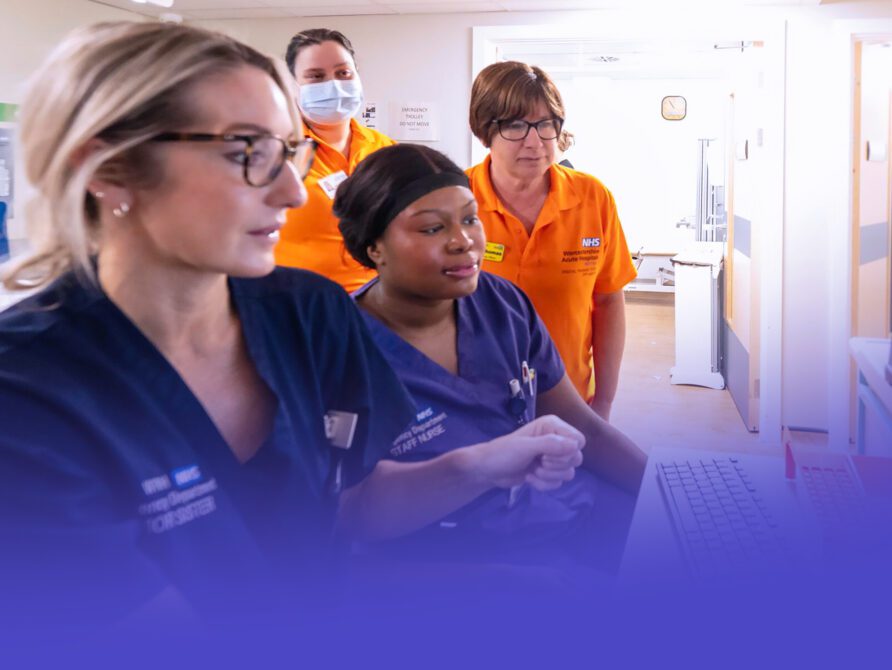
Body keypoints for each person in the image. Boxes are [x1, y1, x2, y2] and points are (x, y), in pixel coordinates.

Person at [0, 22, 586, 624]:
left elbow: (352, 503)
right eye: (245, 153)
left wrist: (480, 466)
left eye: (288, 151)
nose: (293, 193)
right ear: (108, 169)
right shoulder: (28, 388)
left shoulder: (308, 313)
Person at [335, 144, 646, 568]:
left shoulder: (502, 304)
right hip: (445, 564)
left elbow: (585, 429)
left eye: (469, 218)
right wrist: (478, 467)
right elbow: (351, 512)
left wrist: (673, 492)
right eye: (431, 229)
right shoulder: (337, 351)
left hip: (558, 516)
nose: (463, 241)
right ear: (375, 248)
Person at [467, 61, 637, 421]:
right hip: (476, 405)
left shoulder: (592, 197)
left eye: (545, 124)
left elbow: (608, 303)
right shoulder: (455, 199)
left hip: (572, 403)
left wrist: (603, 402)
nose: (535, 141)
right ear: (485, 130)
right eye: (515, 125)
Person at [276, 28, 393, 292]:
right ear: (292, 86)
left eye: (343, 73)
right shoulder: (276, 150)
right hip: (294, 305)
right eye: (316, 76)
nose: (334, 85)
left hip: (377, 305)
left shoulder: (386, 150)